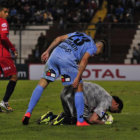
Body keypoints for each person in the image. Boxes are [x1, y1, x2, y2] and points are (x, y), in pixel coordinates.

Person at [22, 31, 105, 126]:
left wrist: (47, 51)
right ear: (99, 46)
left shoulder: (77, 33)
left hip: (54, 56)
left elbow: (58, 38)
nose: (94, 55)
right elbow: (84, 60)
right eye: (97, 53)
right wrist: (77, 77)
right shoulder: (92, 46)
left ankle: (28, 112)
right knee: (79, 87)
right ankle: (80, 121)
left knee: (43, 83)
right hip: (67, 60)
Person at [38, 82, 123, 125]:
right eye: (116, 111)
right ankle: (62, 120)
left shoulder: (104, 95)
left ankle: (49, 117)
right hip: (74, 96)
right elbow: (92, 119)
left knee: (76, 116)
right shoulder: (107, 101)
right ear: (116, 104)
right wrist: (104, 123)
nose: (113, 112)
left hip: (66, 92)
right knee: (81, 121)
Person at [0, 4, 18, 112]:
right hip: (2, 53)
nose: (7, 14)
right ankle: (5, 102)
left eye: (8, 12)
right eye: (5, 12)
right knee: (14, 76)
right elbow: (3, 37)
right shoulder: (3, 22)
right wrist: (12, 49)